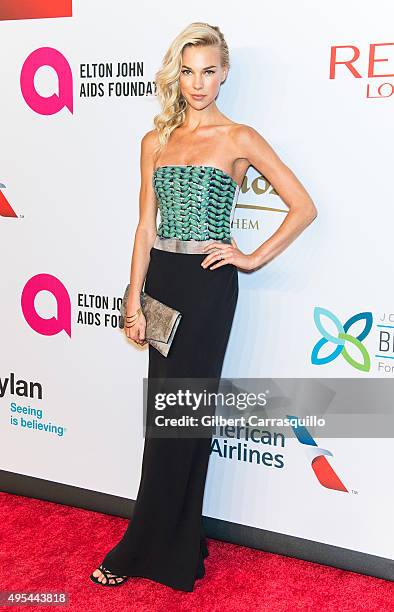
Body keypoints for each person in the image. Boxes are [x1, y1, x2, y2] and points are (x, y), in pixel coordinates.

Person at [89, 21, 317, 592]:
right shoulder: (156, 140)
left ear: (225, 72)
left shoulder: (239, 137)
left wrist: (251, 256)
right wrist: (131, 295)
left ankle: (146, 543)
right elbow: (145, 225)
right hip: (162, 278)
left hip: (208, 285)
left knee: (181, 418)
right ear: (177, 73)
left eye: (209, 70)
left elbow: (303, 206)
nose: (198, 82)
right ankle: (179, 540)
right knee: (164, 419)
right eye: (188, 71)